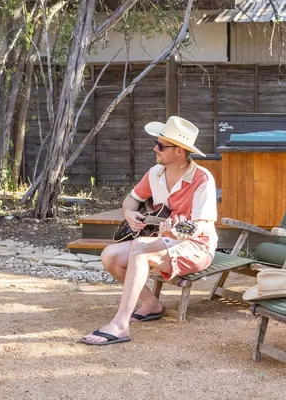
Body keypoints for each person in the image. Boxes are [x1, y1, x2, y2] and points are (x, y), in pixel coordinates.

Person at [80, 116, 218, 345]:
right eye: (157, 142)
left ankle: (120, 324)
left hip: (195, 245)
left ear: (180, 151)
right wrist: (129, 214)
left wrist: (176, 232)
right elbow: (131, 200)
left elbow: (201, 226)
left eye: (161, 145)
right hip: (161, 240)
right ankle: (151, 304)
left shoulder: (202, 179)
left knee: (141, 248)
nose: (155, 148)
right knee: (109, 255)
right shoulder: (155, 173)